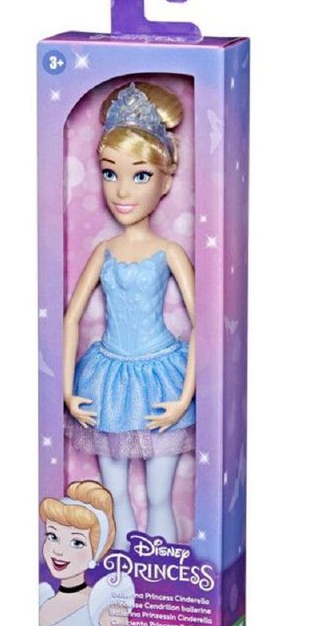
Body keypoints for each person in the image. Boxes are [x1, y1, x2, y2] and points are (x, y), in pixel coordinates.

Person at [63, 82, 196, 546]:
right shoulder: (103, 251)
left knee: (159, 496)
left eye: (140, 175)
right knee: (113, 491)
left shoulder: (169, 251)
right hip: (107, 379)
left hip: (161, 376)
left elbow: (204, 326)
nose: (122, 190)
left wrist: (184, 396)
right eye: (109, 173)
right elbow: (70, 318)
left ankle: (161, 570)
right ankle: (121, 571)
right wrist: (66, 389)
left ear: (166, 181)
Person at [39, 480, 141, 626]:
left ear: (95, 551)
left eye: (76, 542)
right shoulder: (41, 597)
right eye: (53, 536)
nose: (58, 550)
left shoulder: (105, 601)